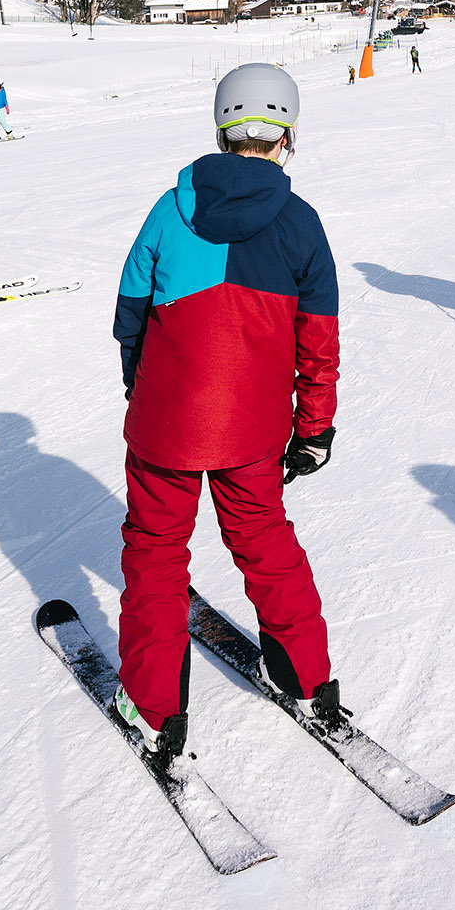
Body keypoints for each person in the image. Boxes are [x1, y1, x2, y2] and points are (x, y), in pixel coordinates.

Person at [109, 63, 344, 763]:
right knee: (265, 541)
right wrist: (315, 429)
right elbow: (319, 344)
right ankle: (307, 678)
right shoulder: (302, 225)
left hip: (164, 424)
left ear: (222, 129)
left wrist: (139, 385)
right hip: (253, 431)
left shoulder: (169, 209)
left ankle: (154, 709)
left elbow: (130, 315)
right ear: (286, 135)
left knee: (154, 554)